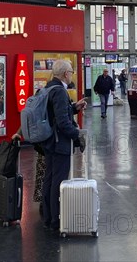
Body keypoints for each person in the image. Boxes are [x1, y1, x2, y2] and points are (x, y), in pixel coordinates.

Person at [40, 60, 87, 231]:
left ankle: (47, 216)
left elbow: (56, 114)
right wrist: (77, 135)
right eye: (71, 72)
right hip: (59, 142)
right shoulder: (59, 91)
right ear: (66, 73)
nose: (72, 74)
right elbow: (62, 122)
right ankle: (55, 219)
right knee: (58, 181)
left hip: (49, 141)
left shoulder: (48, 88)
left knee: (50, 178)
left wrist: (75, 107)